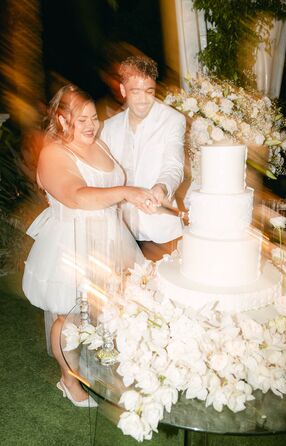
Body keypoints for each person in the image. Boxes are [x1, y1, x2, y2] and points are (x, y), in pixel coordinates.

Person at [22, 84, 157, 407]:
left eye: (93, 117)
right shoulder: (54, 153)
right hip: (72, 242)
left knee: (110, 310)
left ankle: (104, 369)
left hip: (110, 239)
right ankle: (68, 379)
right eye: (80, 118)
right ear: (61, 119)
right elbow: (76, 196)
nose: (90, 125)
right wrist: (127, 192)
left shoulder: (99, 144)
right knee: (67, 317)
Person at [100, 55, 186, 260]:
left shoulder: (173, 120)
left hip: (160, 232)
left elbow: (174, 165)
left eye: (149, 91)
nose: (143, 99)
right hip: (120, 231)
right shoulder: (108, 128)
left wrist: (162, 187)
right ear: (123, 90)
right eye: (135, 91)